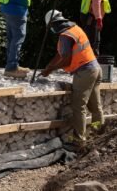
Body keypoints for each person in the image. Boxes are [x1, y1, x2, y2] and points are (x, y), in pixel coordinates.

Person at [41, 10, 104, 144]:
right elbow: (60, 55)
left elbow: (67, 60)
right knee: (95, 106)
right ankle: (98, 134)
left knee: (79, 106)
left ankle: (79, 140)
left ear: (54, 24)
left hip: (85, 71)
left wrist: (51, 69)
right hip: (96, 69)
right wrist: (49, 66)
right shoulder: (74, 29)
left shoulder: (65, 35)